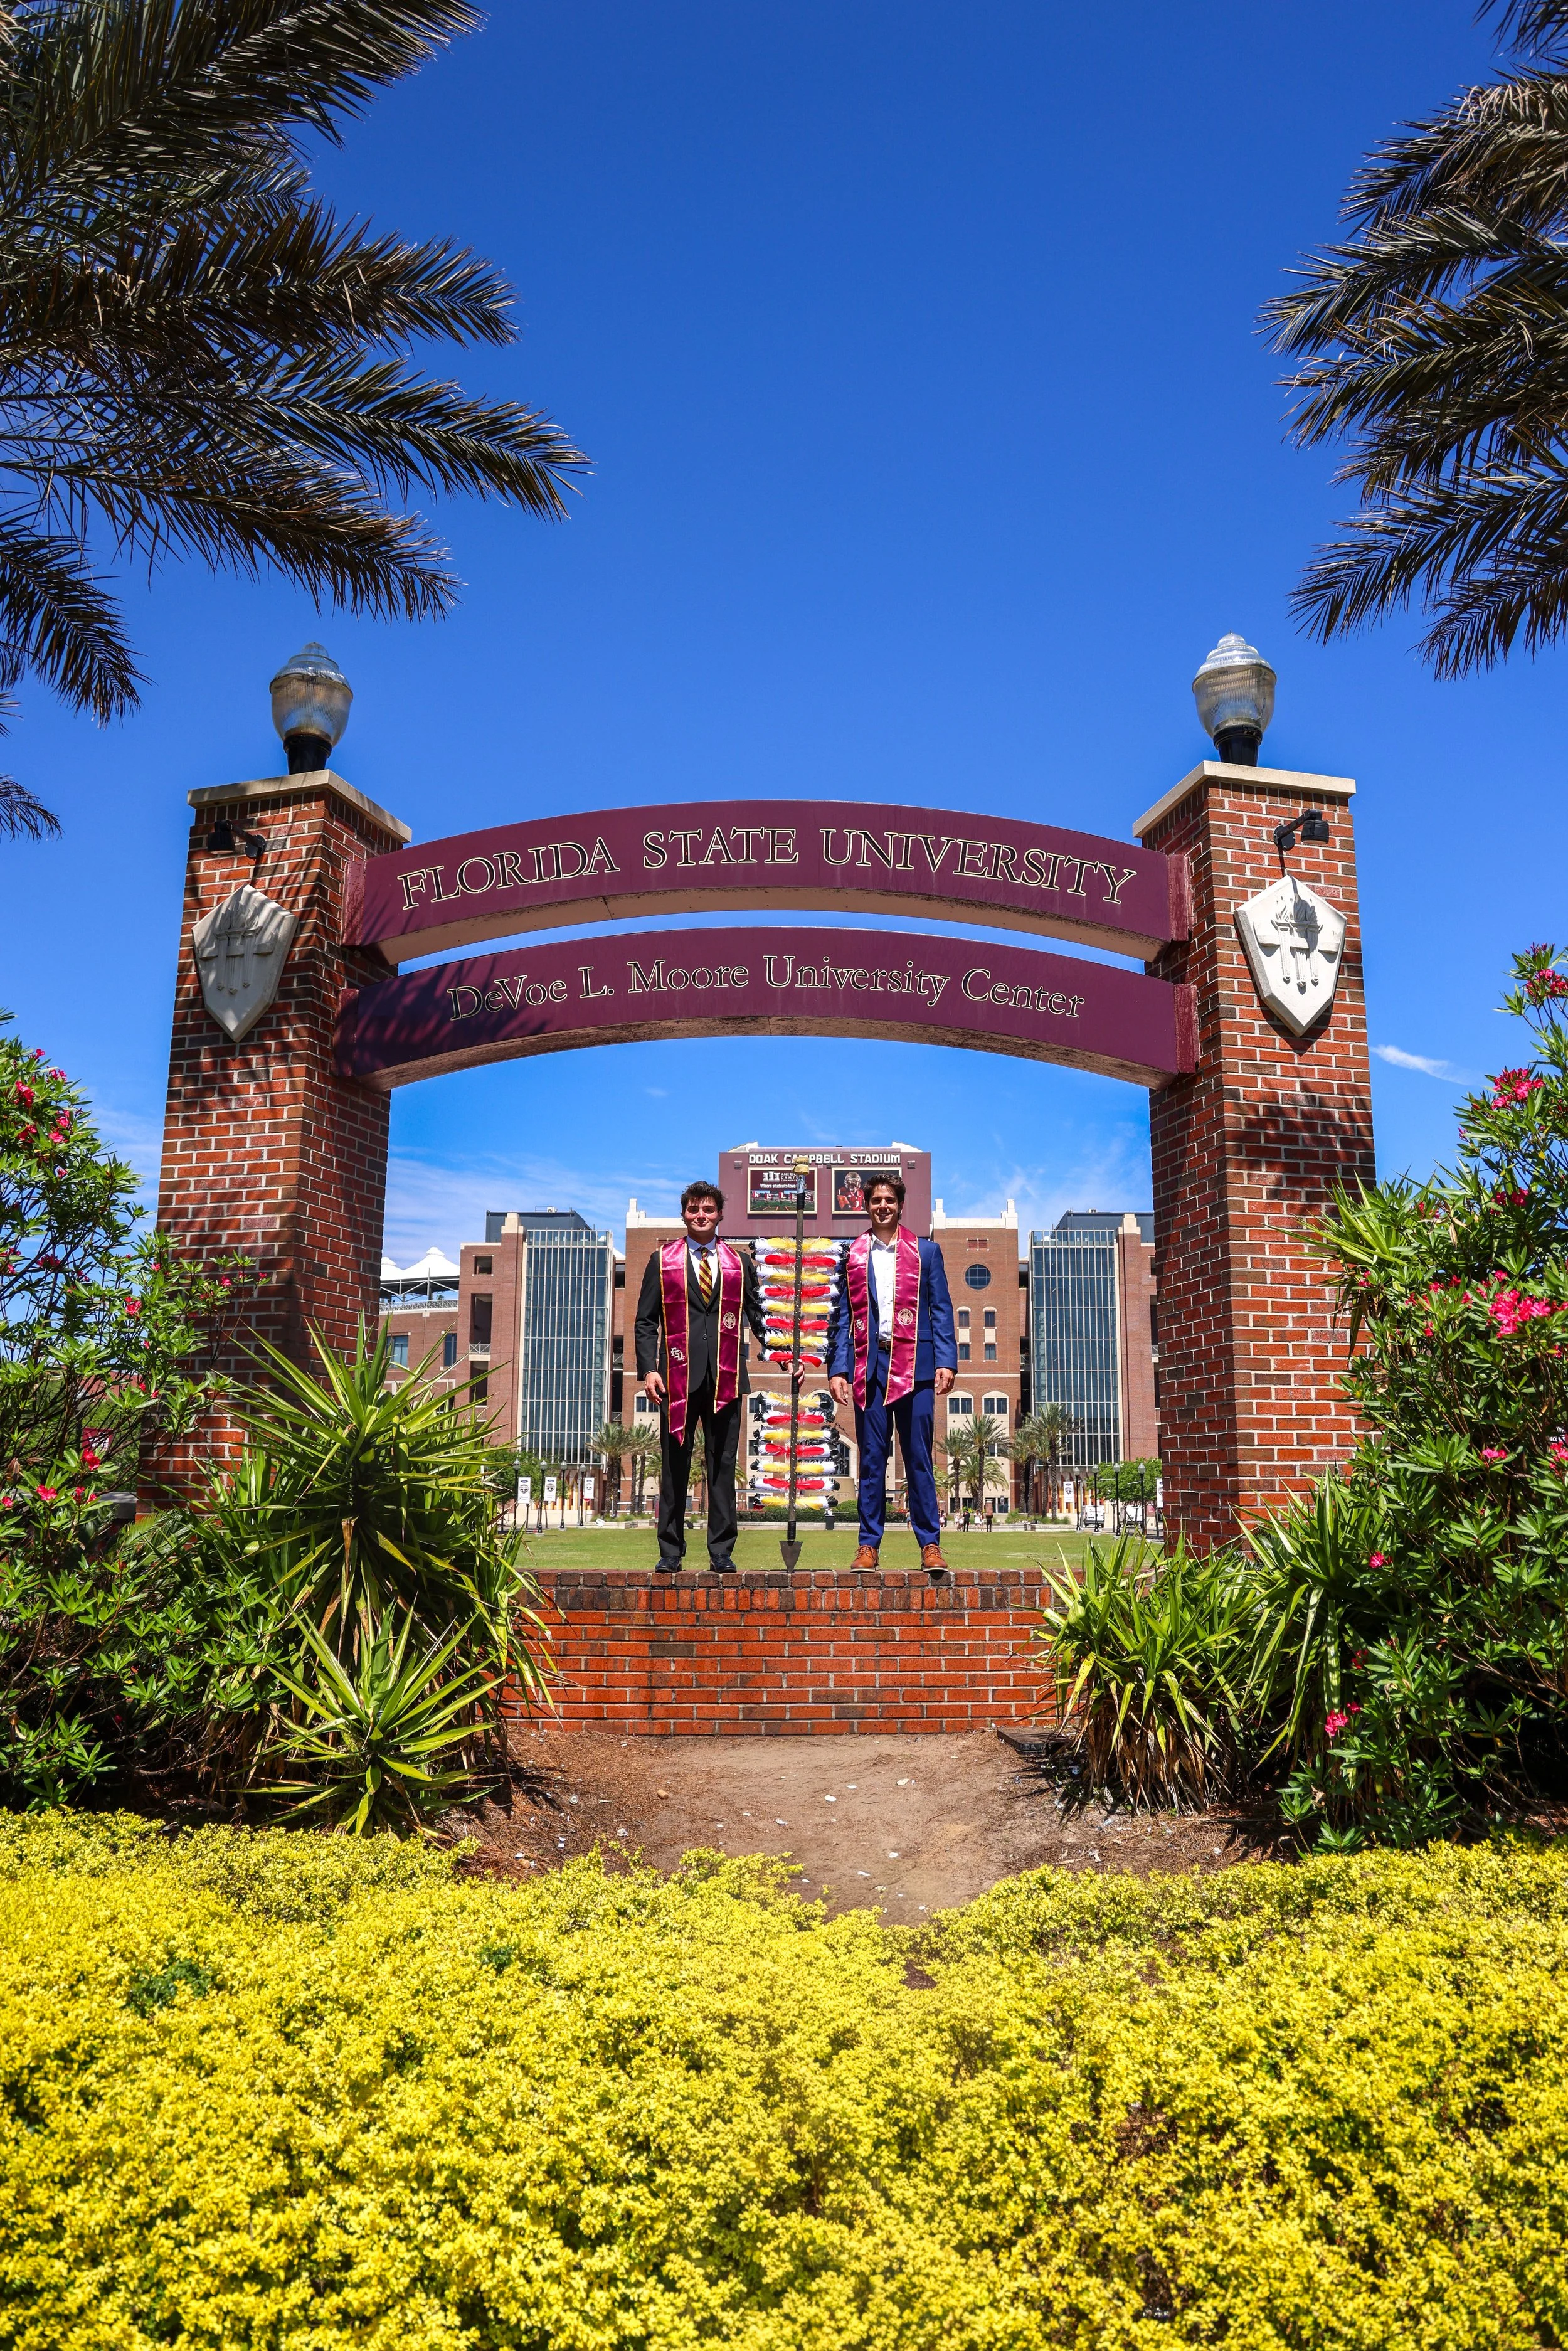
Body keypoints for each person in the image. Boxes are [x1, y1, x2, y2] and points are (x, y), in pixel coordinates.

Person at [827, 1173, 956, 1576]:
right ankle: (868, 1546)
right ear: (867, 1205)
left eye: (890, 1200)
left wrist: (946, 1360)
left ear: (901, 1205)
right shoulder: (852, 1254)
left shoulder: (927, 1252)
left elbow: (941, 1309)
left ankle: (930, 1545)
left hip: (916, 1368)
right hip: (871, 1369)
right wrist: (839, 1369)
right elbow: (843, 1318)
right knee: (871, 1459)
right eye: (876, 1200)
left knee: (919, 1457)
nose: (883, 1205)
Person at [636, 1179, 767, 1573]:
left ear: (720, 1214)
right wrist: (648, 1369)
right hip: (675, 1377)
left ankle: (722, 1551)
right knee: (674, 1464)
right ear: (684, 1214)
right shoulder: (662, 1260)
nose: (701, 1216)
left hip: (726, 1376)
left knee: (724, 1463)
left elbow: (757, 1314)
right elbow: (645, 1321)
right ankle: (670, 1552)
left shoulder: (739, 1263)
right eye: (694, 1209)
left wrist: (782, 1354)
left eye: (708, 1209)